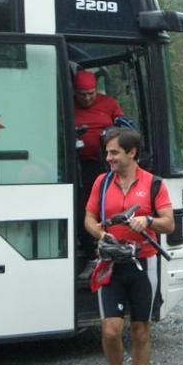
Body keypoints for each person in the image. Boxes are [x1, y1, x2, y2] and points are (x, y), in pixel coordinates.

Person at [84, 128, 174, 365]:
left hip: (142, 264)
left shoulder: (153, 184)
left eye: (114, 152)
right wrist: (98, 232)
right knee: (110, 331)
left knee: (140, 330)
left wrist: (147, 220)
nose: (108, 158)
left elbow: (168, 224)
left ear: (131, 153)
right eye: (107, 152)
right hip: (111, 264)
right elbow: (89, 217)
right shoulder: (102, 181)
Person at [74, 70, 124, 259]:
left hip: (104, 165)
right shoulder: (67, 103)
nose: (87, 98)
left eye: (91, 94)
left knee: (107, 206)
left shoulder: (109, 104)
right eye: (82, 94)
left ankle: (108, 245)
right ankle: (88, 251)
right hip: (78, 167)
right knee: (84, 210)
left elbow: (123, 129)